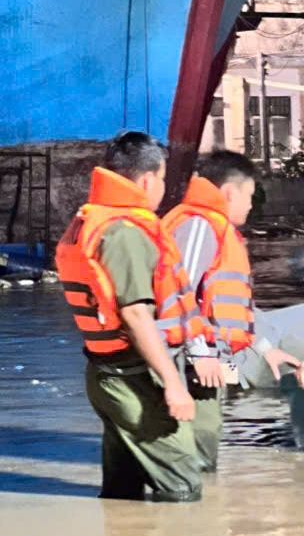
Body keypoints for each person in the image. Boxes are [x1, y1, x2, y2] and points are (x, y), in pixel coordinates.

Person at [54, 132, 203, 502]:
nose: (163, 189)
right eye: (163, 179)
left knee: (122, 495)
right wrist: (172, 383)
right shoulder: (124, 231)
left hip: (107, 372)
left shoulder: (89, 220)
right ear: (148, 179)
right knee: (182, 491)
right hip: (135, 378)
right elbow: (136, 313)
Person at [161, 150, 302, 471]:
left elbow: (235, 309)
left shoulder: (218, 229)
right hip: (193, 360)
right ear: (228, 192)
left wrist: (267, 349)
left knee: (214, 433)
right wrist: (200, 355)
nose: (252, 205)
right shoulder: (198, 225)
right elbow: (179, 293)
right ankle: (194, 510)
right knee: (199, 447)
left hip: (215, 359)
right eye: (249, 196)